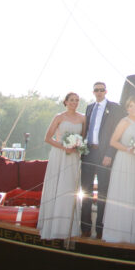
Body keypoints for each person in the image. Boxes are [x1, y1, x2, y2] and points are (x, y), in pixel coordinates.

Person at [38, 92, 84, 240]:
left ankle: (69, 226)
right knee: (58, 186)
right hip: (59, 155)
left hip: (74, 157)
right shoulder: (59, 117)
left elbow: (83, 138)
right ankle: (53, 225)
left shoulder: (83, 118)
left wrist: (78, 147)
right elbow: (47, 138)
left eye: (77, 100)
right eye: (71, 100)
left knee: (69, 187)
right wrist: (64, 147)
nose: (74, 102)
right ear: (65, 101)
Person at [101, 96, 135, 245]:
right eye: (131, 106)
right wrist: (128, 149)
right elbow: (113, 141)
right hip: (123, 159)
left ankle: (131, 233)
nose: (134, 109)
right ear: (127, 108)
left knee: (132, 192)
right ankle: (117, 233)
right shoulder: (123, 122)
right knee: (122, 191)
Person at [81, 82, 124, 238]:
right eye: (96, 90)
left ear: (106, 91)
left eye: (101, 90)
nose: (99, 92)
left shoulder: (114, 108)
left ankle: (100, 229)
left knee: (103, 192)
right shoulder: (89, 107)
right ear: (93, 92)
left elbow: (116, 133)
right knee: (85, 191)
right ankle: (85, 227)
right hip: (88, 152)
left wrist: (110, 154)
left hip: (104, 154)